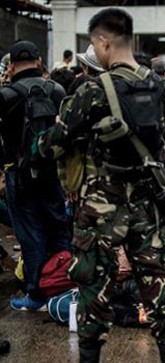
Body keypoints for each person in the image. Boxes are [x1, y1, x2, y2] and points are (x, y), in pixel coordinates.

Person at [36, 8, 165, 362]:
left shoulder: (91, 90)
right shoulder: (159, 86)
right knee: (158, 285)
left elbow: (53, 145)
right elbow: (164, 143)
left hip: (102, 206)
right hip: (148, 200)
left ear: (103, 41)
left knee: (93, 286)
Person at [0, 40, 72, 311]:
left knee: (31, 236)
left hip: (18, 176)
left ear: (12, 64)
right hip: (52, 174)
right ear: (39, 61)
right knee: (59, 229)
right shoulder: (57, 90)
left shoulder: (7, 95)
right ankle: (64, 286)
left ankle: (36, 294)